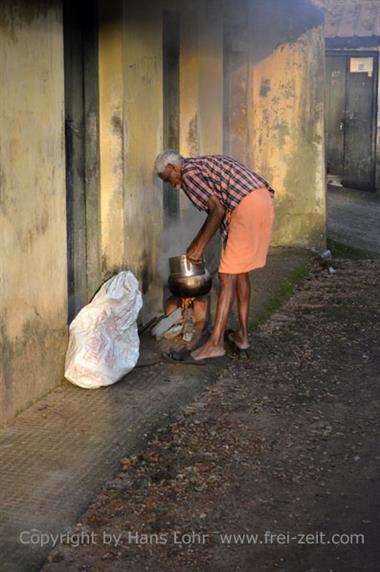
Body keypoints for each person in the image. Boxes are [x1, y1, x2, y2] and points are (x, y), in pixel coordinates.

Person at [154, 150, 275, 362]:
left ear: (173, 168)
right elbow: (219, 211)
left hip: (245, 207)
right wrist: (197, 244)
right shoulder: (201, 165)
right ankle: (242, 336)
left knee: (226, 276)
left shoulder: (189, 174)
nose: (173, 186)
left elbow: (217, 211)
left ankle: (215, 344)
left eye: (168, 179)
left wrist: (199, 247)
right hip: (262, 201)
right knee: (240, 273)